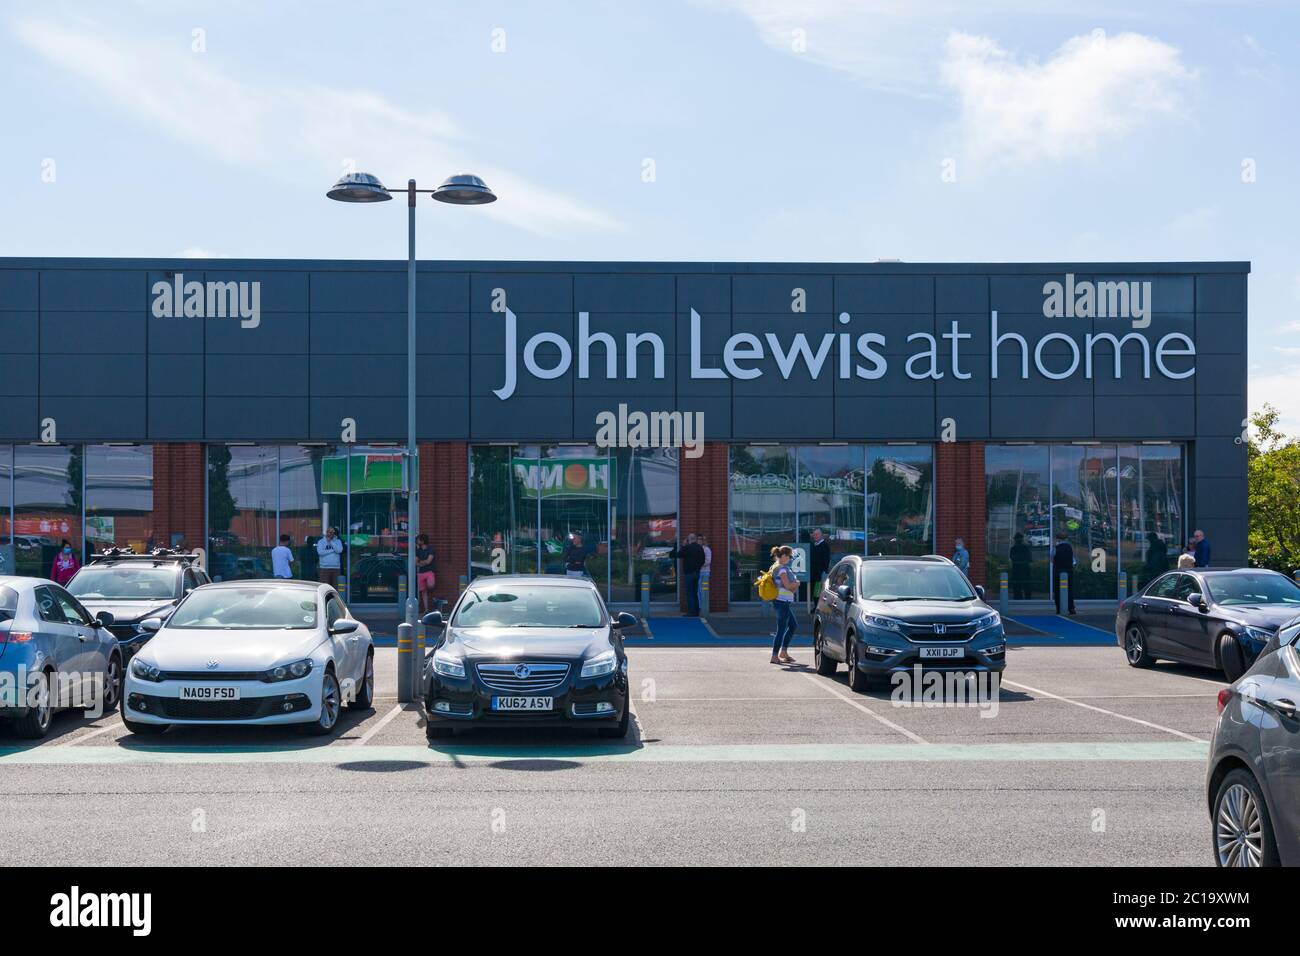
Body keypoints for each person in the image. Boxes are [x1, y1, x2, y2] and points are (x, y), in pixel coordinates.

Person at [769, 545, 799, 665]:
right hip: (782, 602)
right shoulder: (782, 569)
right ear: (785, 556)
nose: (791, 559)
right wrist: (797, 584)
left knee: (793, 625)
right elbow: (787, 586)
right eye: (790, 556)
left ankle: (783, 652)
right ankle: (775, 655)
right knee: (781, 628)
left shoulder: (774, 566)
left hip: (780, 601)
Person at [669, 534, 706, 616]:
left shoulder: (687, 547)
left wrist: (682, 545)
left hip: (689, 573)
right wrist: (698, 568)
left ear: (689, 540)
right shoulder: (700, 548)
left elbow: (675, 555)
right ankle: (696, 611)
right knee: (695, 592)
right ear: (695, 539)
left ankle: (691, 612)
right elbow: (703, 560)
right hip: (697, 573)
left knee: (689, 593)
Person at [1051, 531, 1076, 615]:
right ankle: (1071, 608)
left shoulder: (1056, 548)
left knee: (1057, 590)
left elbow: (1052, 559)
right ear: (1066, 538)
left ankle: (1059, 608)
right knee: (1069, 589)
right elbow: (1073, 561)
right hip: (1068, 571)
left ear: (1058, 538)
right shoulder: (1069, 548)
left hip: (1058, 571)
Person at [416, 533, 437, 613]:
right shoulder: (418, 550)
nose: (417, 541)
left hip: (429, 571)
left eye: (418, 540)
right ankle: (426, 609)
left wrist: (421, 562)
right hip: (421, 573)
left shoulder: (430, 549)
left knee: (431, 585)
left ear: (422, 541)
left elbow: (429, 561)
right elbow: (416, 563)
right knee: (423, 592)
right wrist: (422, 562)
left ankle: (431, 597)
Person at [1008, 532, 1032, 599]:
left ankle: (1018, 598)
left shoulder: (1013, 548)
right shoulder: (1026, 548)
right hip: (1025, 569)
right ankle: (1027, 598)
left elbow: (1012, 558)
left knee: (1017, 585)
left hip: (1017, 569)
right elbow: (1030, 558)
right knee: (1026, 585)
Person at [809, 528, 831, 599]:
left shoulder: (824, 546)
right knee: (814, 592)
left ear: (821, 535)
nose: (815, 536)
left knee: (817, 592)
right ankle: (815, 606)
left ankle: (816, 608)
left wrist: (822, 572)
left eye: (817, 534)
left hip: (819, 575)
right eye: (814, 534)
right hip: (813, 574)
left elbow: (826, 561)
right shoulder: (813, 545)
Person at [698, 534, 712, 614]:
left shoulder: (706, 549)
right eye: (698, 539)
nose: (699, 541)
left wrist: (698, 564)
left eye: (700, 539)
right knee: (698, 590)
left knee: (704, 590)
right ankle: (700, 606)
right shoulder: (697, 548)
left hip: (705, 572)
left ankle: (704, 607)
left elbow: (708, 561)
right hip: (698, 572)